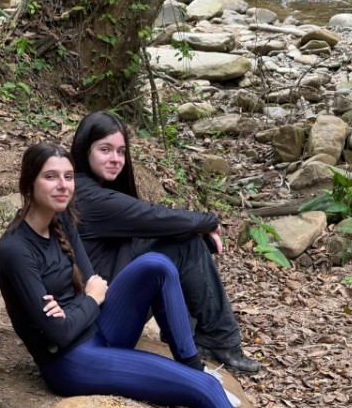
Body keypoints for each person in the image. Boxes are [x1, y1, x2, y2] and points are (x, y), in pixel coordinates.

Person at [0, 142, 352, 408]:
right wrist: (87, 301)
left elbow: (93, 286)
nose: (62, 185)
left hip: (95, 331)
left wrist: (78, 306)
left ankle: (191, 365)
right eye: (51, 177)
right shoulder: (16, 250)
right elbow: (63, 331)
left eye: (68, 176)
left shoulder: (63, 220)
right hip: (71, 362)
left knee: (157, 264)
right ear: (29, 182)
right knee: (204, 392)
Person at [70, 110, 259, 375]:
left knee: (181, 239)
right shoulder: (89, 197)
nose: (115, 159)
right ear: (84, 149)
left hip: (103, 302)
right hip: (101, 322)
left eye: (121, 151)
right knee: (186, 244)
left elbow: (149, 225)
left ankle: (194, 334)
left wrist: (189, 230)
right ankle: (221, 341)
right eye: (105, 149)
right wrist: (208, 221)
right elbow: (152, 217)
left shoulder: (85, 189)